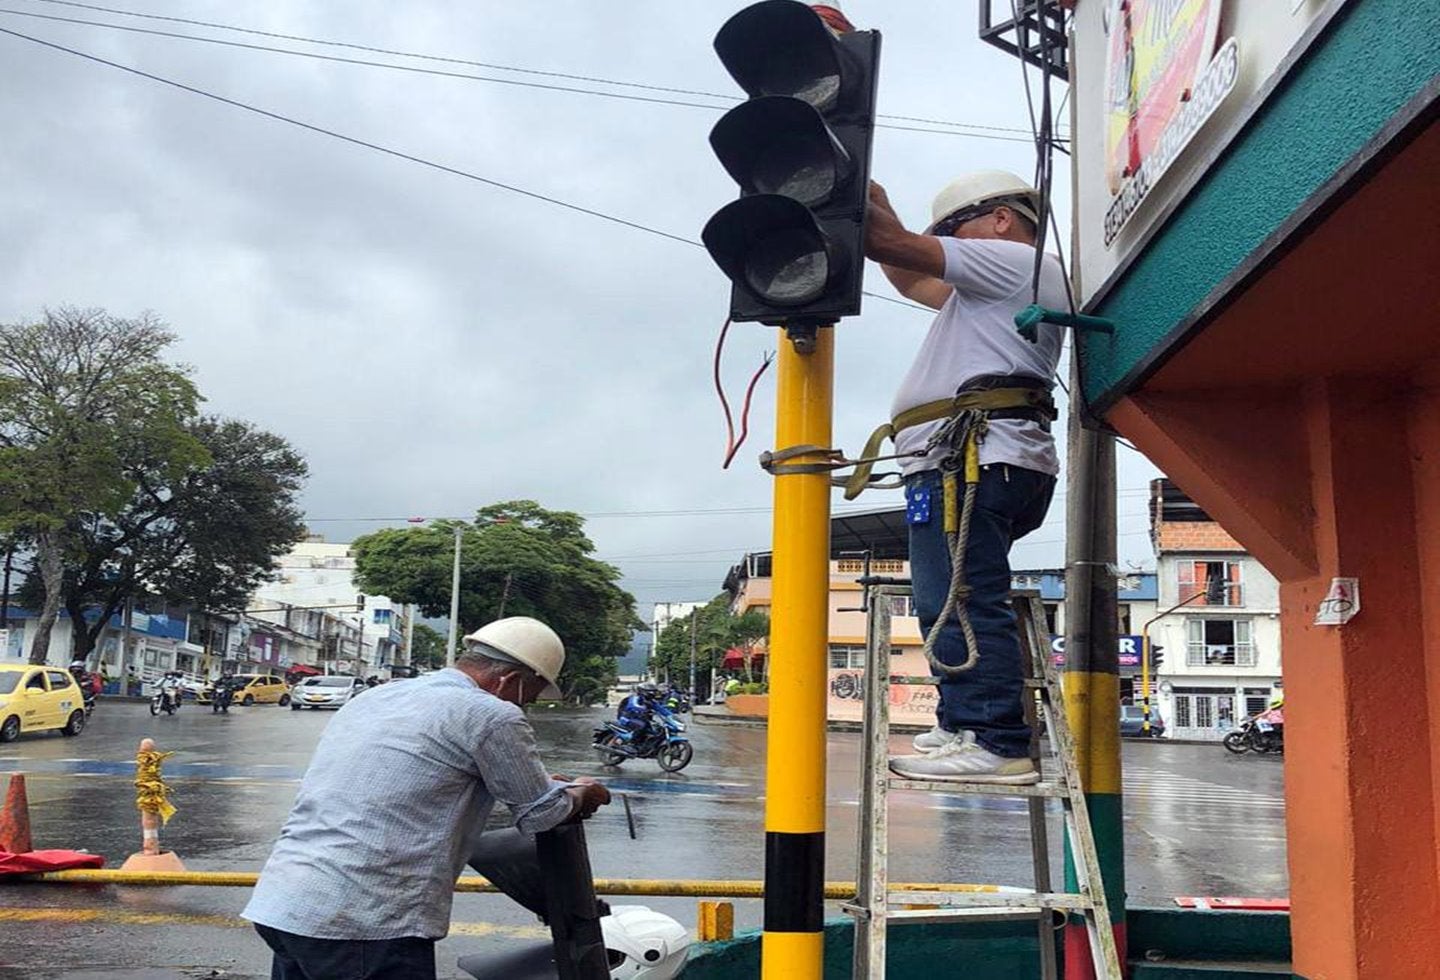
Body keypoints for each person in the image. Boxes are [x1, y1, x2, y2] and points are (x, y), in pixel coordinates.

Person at [242, 616, 611, 980]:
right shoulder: (491, 713)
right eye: (527, 698)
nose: (524, 708)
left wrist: (541, 783)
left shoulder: (378, 696)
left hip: (285, 902)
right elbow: (542, 814)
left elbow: (414, 769)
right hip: (364, 919)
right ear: (509, 681)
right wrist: (581, 792)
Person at [864, 171, 1065, 784]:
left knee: (963, 597)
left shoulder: (1012, 261)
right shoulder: (986, 291)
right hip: (970, 460)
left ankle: (998, 740)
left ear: (1002, 219)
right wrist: (876, 198)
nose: (948, 243)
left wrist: (850, 187)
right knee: (943, 597)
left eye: (951, 229)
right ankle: (962, 722)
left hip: (976, 458)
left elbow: (893, 247)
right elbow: (908, 270)